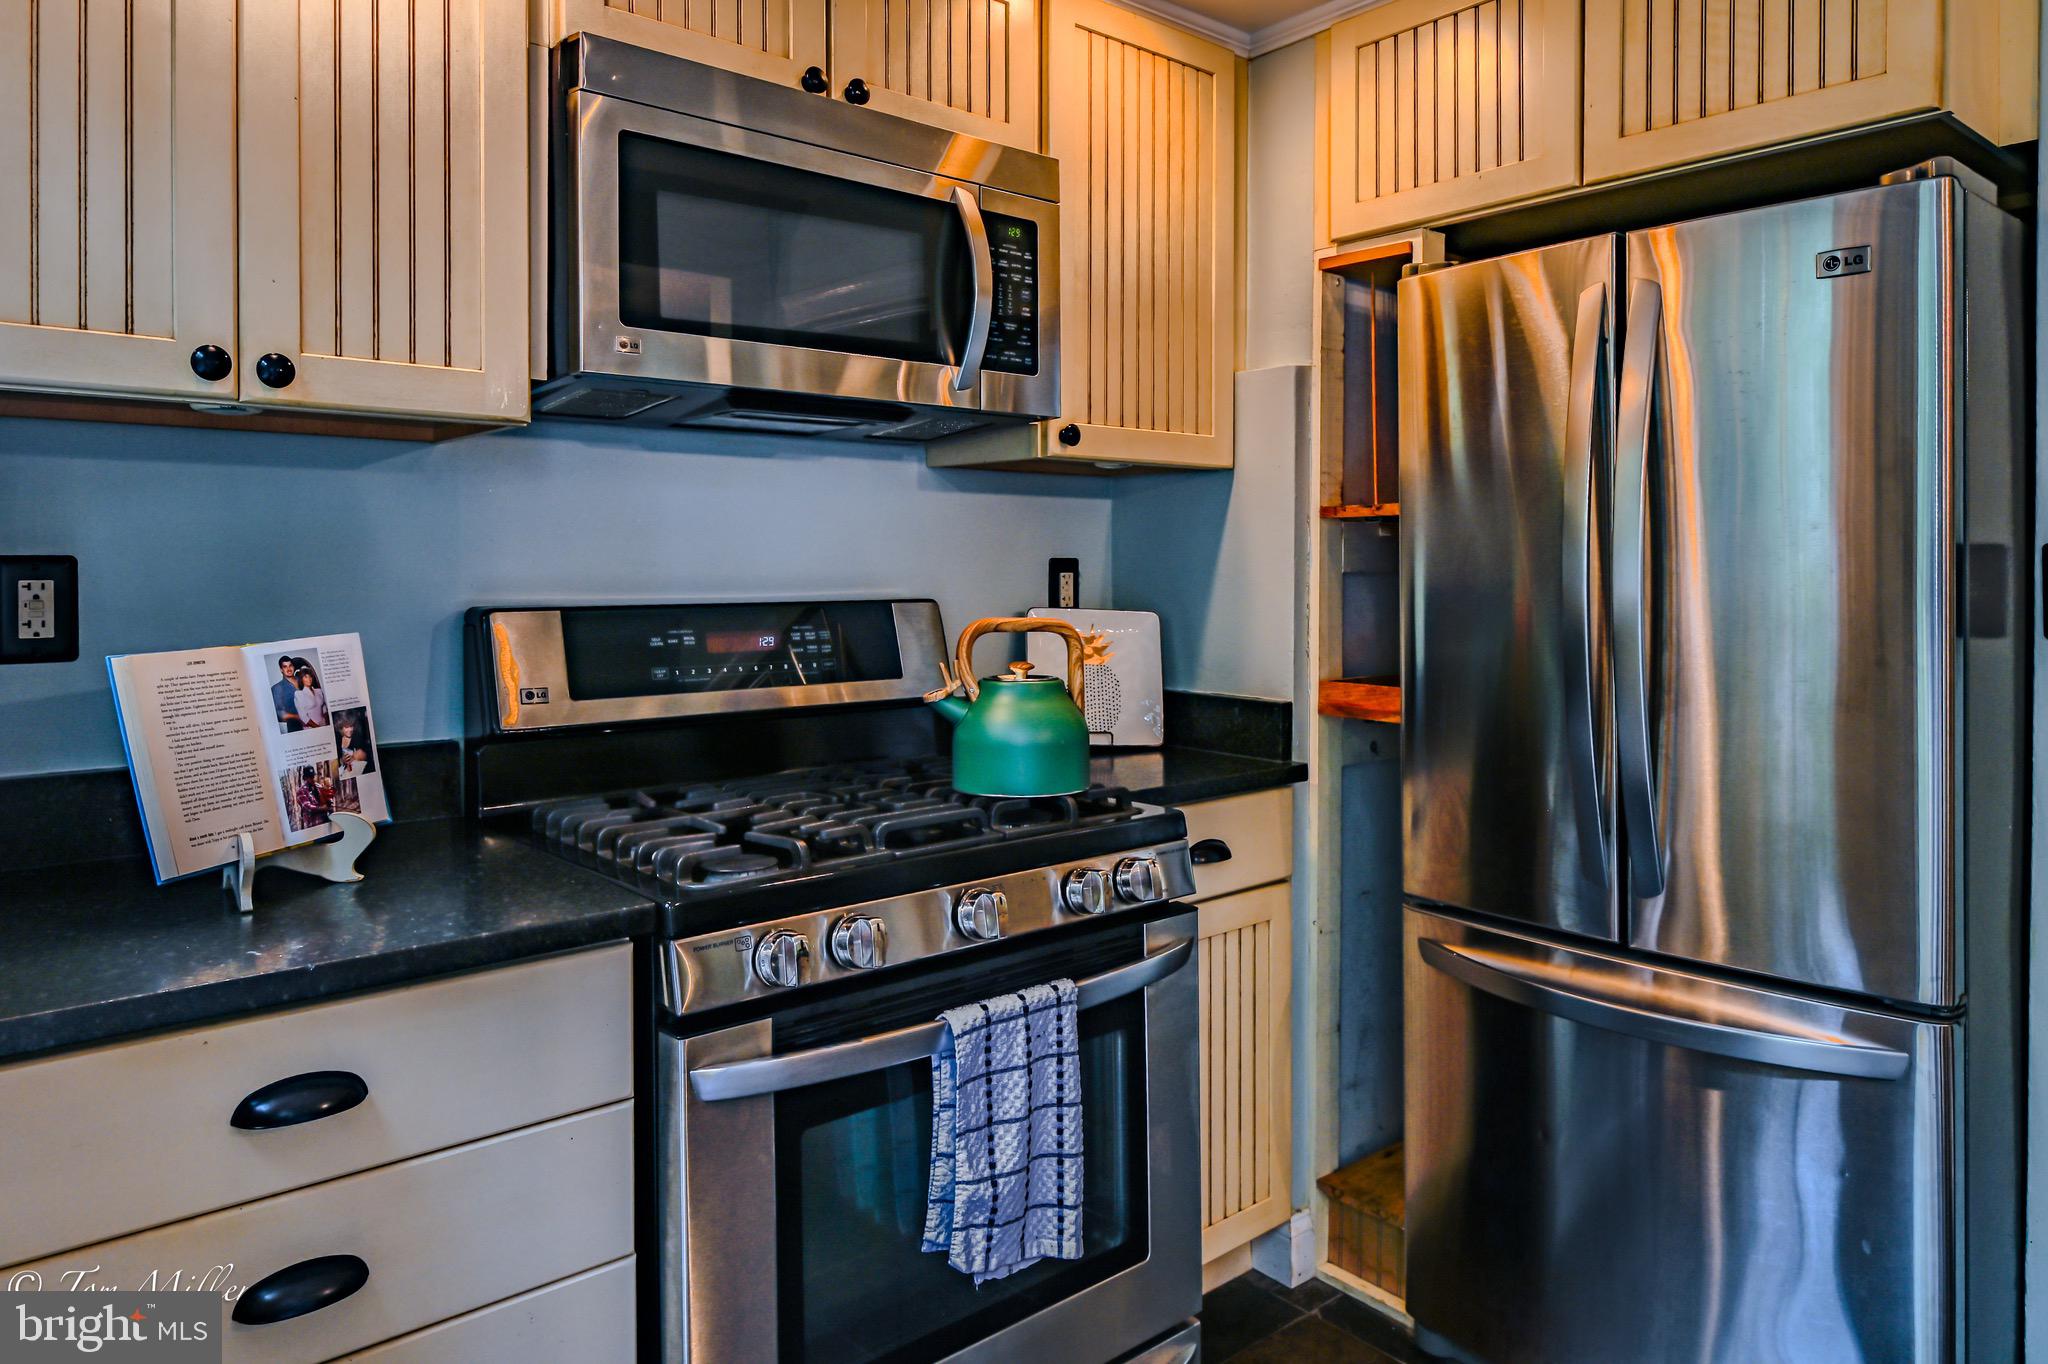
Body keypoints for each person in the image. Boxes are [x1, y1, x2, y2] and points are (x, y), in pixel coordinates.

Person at [271, 656, 303, 732]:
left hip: (317, 722)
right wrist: (299, 717)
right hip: (296, 729)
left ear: (293, 667)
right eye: (285, 667)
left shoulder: (304, 680)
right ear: (281, 670)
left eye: (290, 665)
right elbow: (279, 714)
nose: (288, 669)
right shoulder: (277, 688)